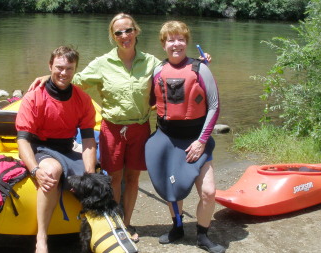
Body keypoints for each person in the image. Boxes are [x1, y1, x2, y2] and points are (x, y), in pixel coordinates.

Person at [29, 13, 211, 243]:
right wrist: (49, 75)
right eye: (119, 32)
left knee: (133, 178)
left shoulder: (152, 62)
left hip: (139, 127)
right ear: (113, 36)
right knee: (114, 179)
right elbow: (75, 79)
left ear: (136, 31)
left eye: (128, 30)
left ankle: (127, 223)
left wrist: (200, 64)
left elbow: (178, 69)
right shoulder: (103, 63)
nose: (124, 36)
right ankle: (114, 224)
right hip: (112, 128)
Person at [145, 21, 225, 253]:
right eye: (171, 39)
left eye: (180, 39)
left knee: (209, 192)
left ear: (187, 42)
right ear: (163, 44)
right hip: (167, 138)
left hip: (196, 139)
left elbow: (214, 106)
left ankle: (203, 235)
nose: (176, 44)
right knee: (173, 190)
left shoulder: (201, 69)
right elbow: (150, 100)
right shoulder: (157, 70)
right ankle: (177, 227)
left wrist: (201, 141)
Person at [16, 46, 97, 253]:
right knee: (51, 171)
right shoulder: (34, 98)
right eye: (59, 67)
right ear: (50, 66)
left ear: (75, 70)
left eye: (69, 69)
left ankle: (96, 229)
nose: (64, 73)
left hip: (66, 147)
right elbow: (23, 140)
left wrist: (89, 174)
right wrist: (35, 170)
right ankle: (41, 238)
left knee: (96, 182)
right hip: (39, 146)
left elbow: (88, 140)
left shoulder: (82, 99)